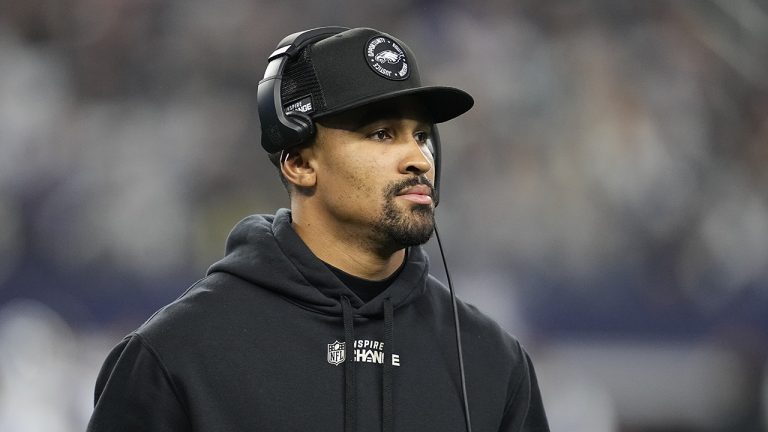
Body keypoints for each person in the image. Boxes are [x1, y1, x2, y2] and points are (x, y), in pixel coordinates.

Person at [87, 27, 549, 432]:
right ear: (300, 162)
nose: (419, 158)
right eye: (382, 133)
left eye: (422, 135)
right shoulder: (177, 354)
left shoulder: (492, 361)